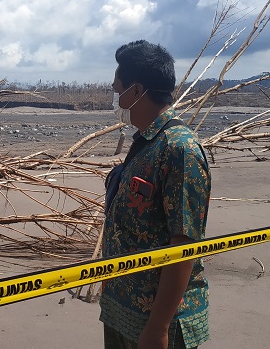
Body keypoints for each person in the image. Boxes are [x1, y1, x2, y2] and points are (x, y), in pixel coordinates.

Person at [100, 40, 211, 349]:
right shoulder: (146, 143)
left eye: (117, 89)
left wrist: (158, 327)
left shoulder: (180, 150)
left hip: (158, 322)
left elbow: (184, 244)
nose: (115, 98)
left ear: (136, 91)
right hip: (122, 309)